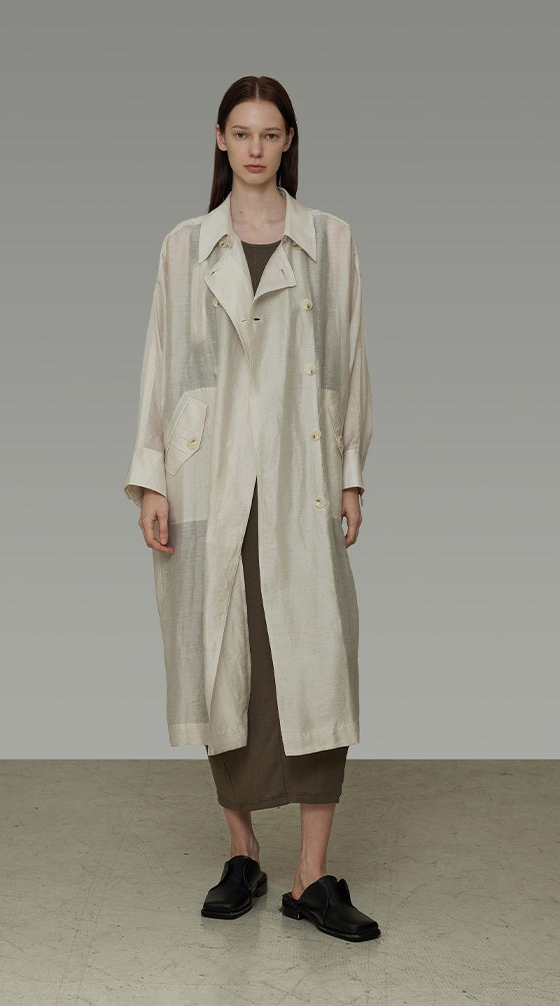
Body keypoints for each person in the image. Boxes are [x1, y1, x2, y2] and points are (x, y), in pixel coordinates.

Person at [124, 75, 379, 942]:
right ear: (220, 140)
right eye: (243, 133)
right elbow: (161, 363)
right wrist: (153, 478)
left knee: (316, 661)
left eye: (271, 133)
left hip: (301, 477)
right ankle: (242, 853)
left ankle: (312, 876)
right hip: (211, 477)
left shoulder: (330, 240)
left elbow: (347, 360)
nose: (257, 148)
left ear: (289, 141)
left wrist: (351, 475)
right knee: (219, 657)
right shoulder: (184, 246)